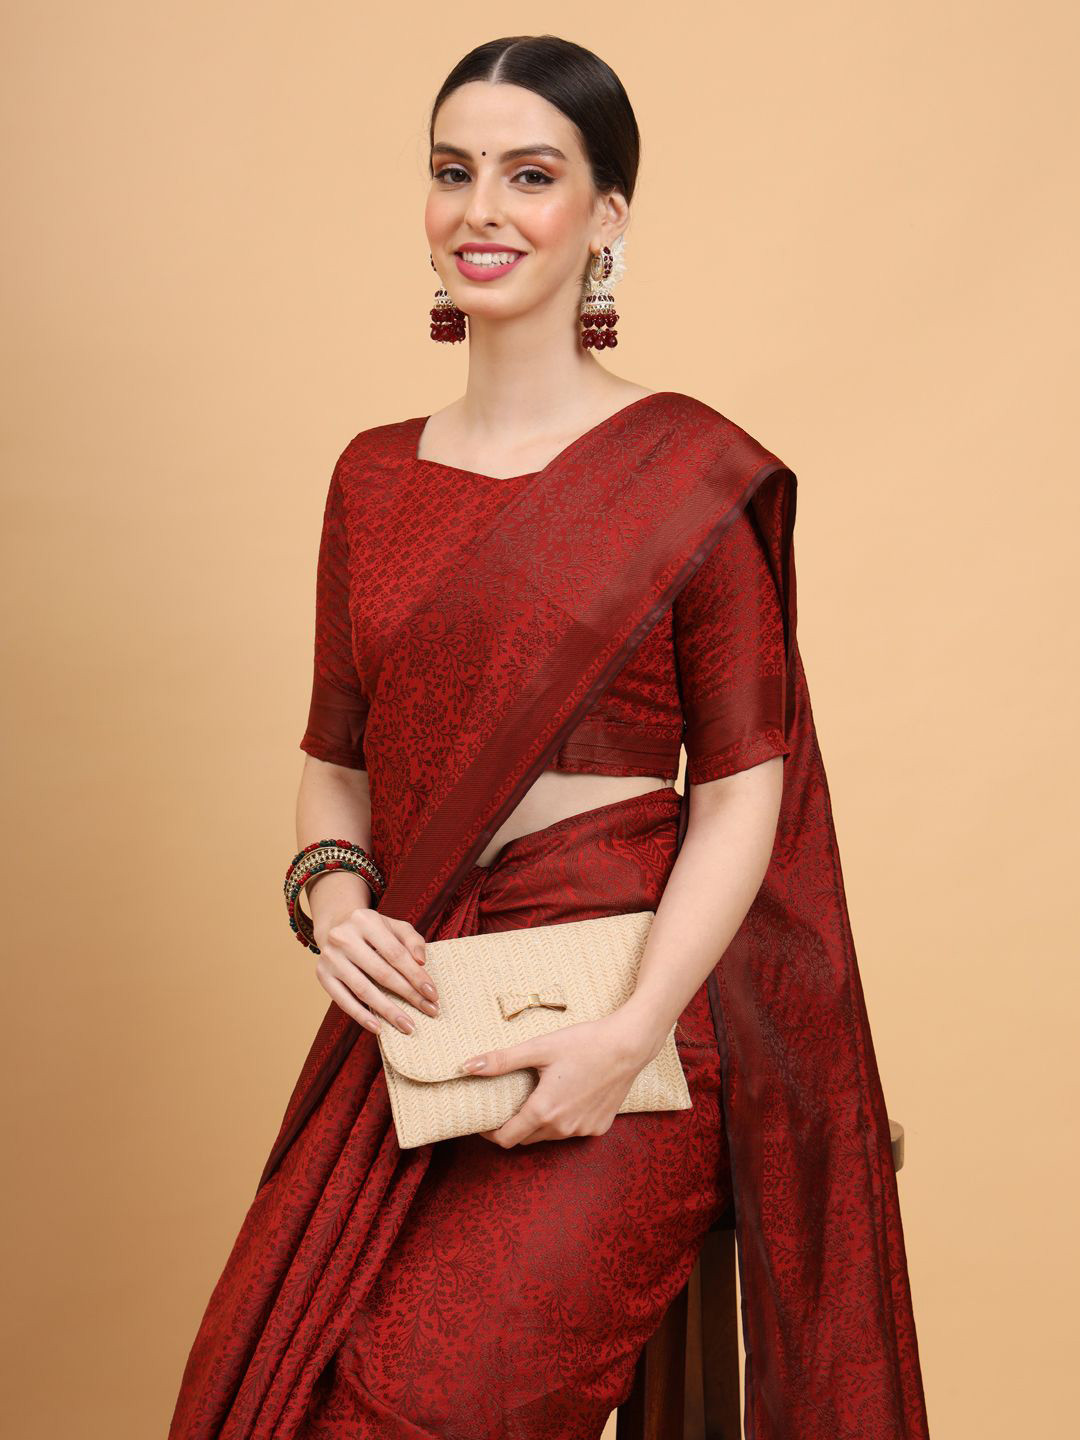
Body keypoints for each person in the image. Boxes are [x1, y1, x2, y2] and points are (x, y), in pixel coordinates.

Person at [167, 34, 931, 1440]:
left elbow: (743, 790)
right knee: (274, 1392)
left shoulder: (686, 471)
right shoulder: (370, 479)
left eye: (531, 175)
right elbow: (334, 765)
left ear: (606, 214)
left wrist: (629, 1034)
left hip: (631, 1020)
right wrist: (334, 908)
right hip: (424, 1016)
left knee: (421, 1409)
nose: (483, 210)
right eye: (453, 171)